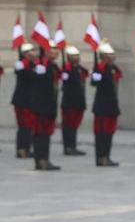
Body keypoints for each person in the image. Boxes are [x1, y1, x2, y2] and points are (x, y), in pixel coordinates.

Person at [27, 41, 62, 170]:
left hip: (50, 105)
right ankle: (40, 159)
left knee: (46, 134)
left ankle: (44, 159)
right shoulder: (40, 65)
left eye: (56, 49)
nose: (56, 51)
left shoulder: (52, 66)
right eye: (52, 49)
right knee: (40, 133)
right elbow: (32, 80)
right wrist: (37, 71)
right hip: (40, 105)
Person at [90, 41, 122, 167]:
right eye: (110, 54)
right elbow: (94, 82)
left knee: (109, 133)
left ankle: (106, 156)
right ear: (104, 56)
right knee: (101, 133)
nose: (113, 57)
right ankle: (101, 157)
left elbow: (119, 75)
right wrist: (98, 70)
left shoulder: (113, 69)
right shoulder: (100, 69)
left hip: (111, 106)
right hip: (102, 106)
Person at [59, 45, 89, 156]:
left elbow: (86, 74)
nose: (76, 58)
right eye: (73, 56)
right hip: (69, 101)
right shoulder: (67, 69)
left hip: (78, 101)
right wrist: (67, 69)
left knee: (74, 125)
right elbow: (65, 79)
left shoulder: (79, 69)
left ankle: (73, 146)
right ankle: (68, 146)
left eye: (77, 56)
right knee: (68, 125)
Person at [11, 42, 37, 159]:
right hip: (22, 100)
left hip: (31, 100)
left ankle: (26, 148)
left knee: (29, 126)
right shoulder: (22, 65)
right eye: (30, 51)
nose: (34, 53)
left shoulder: (33, 65)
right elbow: (21, 73)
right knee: (24, 126)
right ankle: (22, 149)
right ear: (25, 54)